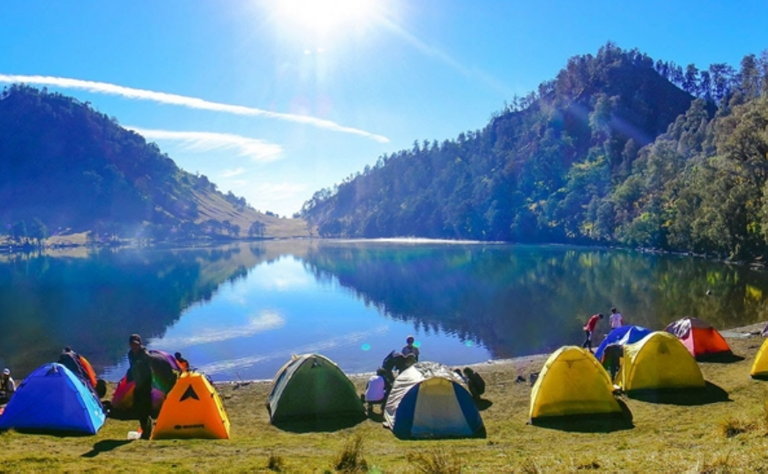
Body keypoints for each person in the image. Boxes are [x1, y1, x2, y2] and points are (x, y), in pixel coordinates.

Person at [128, 334, 154, 440]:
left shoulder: (144, 354)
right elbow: (132, 368)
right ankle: (145, 429)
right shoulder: (130, 354)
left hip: (146, 384)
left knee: (145, 408)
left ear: (140, 344)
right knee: (138, 408)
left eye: (136, 345)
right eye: (132, 344)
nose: (134, 347)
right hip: (138, 384)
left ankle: (147, 431)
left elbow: (148, 368)